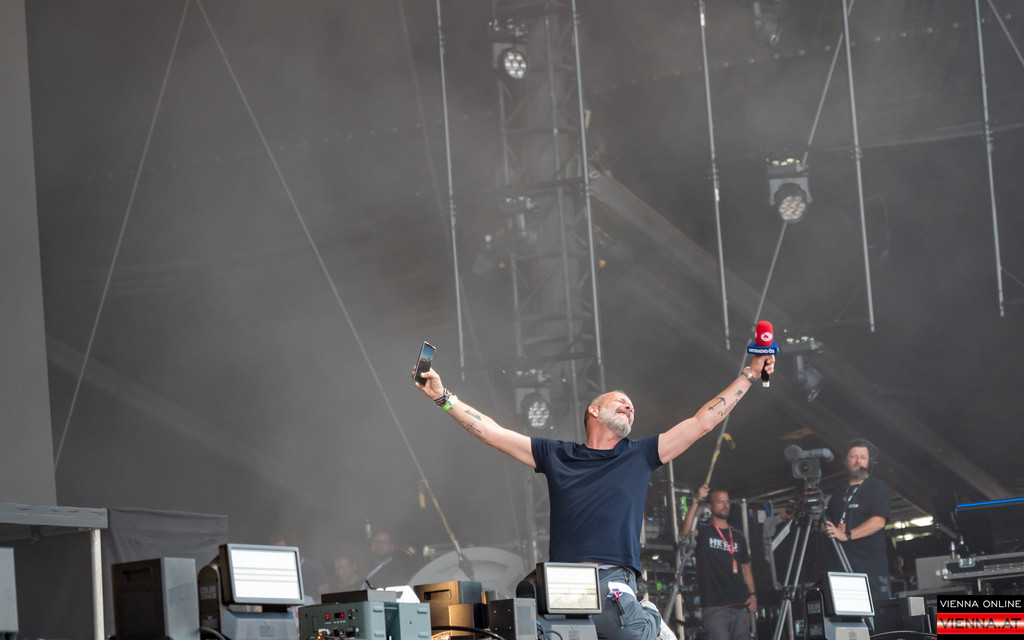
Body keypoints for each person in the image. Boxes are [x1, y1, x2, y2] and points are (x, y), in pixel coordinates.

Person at [414, 352, 774, 640]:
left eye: (632, 406)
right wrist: (443, 397)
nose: (629, 407)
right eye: (621, 401)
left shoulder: (640, 454)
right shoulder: (556, 455)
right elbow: (493, 433)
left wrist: (749, 374)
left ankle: (647, 619)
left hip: (613, 580)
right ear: (594, 410)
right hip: (563, 584)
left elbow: (702, 423)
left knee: (631, 628)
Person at [680, 485, 757, 640]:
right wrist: (697, 500)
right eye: (720, 502)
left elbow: (746, 568)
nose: (725, 505)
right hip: (714, 606)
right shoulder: (704, 530)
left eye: (727, 501)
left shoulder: (738, 535)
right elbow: (686, 531)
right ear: (710, 506)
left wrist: (753, 594)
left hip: (740, 605)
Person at [822, 439, 892, 600]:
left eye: (863, 457)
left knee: (877, 611)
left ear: (870, 462)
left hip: (870, 568)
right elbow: (828, 523)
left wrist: (846, 535)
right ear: (846, 461)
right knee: (845, 613)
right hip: (840, 567)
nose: (858, 461)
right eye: (853, 456)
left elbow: (878, 522)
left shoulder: (877, 487)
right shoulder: (838, 493)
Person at [269, 530, 330, 604]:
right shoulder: (274, 571)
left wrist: (308, 607)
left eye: (282, 550)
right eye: (276, 550)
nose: (278, 554)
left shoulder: (313, 567)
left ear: (293, 548)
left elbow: (325, 597)